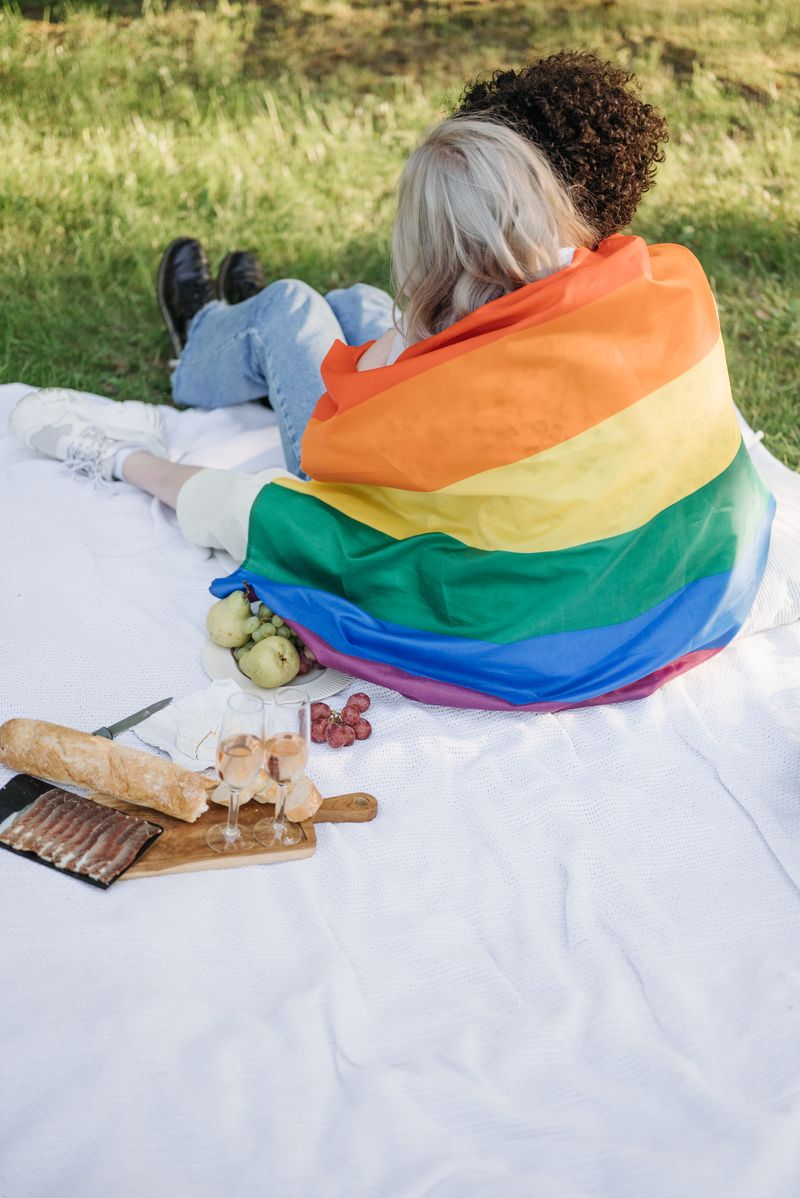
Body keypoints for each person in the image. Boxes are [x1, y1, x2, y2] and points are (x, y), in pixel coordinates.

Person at [8, 115, 772, 711]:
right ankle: (252, 326)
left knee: (298, 309)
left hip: (486, 524)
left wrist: (122, 460)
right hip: (679, 605)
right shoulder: (661, 292)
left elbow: (320, 469)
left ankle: (202, 336)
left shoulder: (434, 406)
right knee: (362, 307)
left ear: (441, 255)